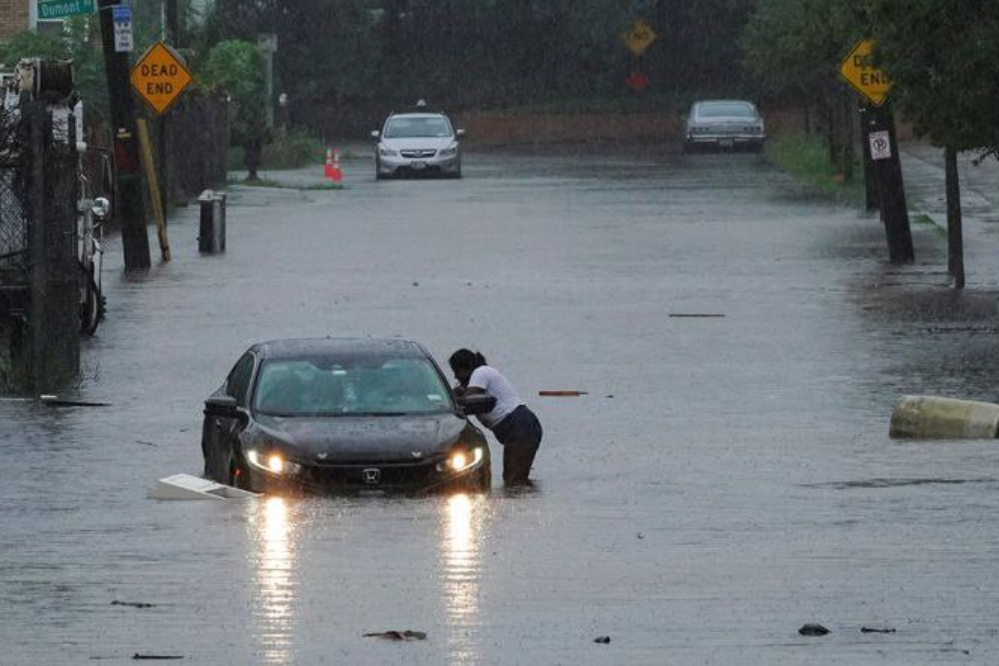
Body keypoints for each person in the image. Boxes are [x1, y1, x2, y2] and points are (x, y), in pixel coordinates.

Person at [448, 349, 543, 486]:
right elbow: (451, 397)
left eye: (457, 371)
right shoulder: (468, 382)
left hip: (521, 425)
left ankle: (526, 503)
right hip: (518, 429)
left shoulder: (482, 372)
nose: (456, 376)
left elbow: (468, 399)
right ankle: (527, 501)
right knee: (515, 480)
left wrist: (453, 401)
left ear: (466, 368)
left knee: (513, 480)